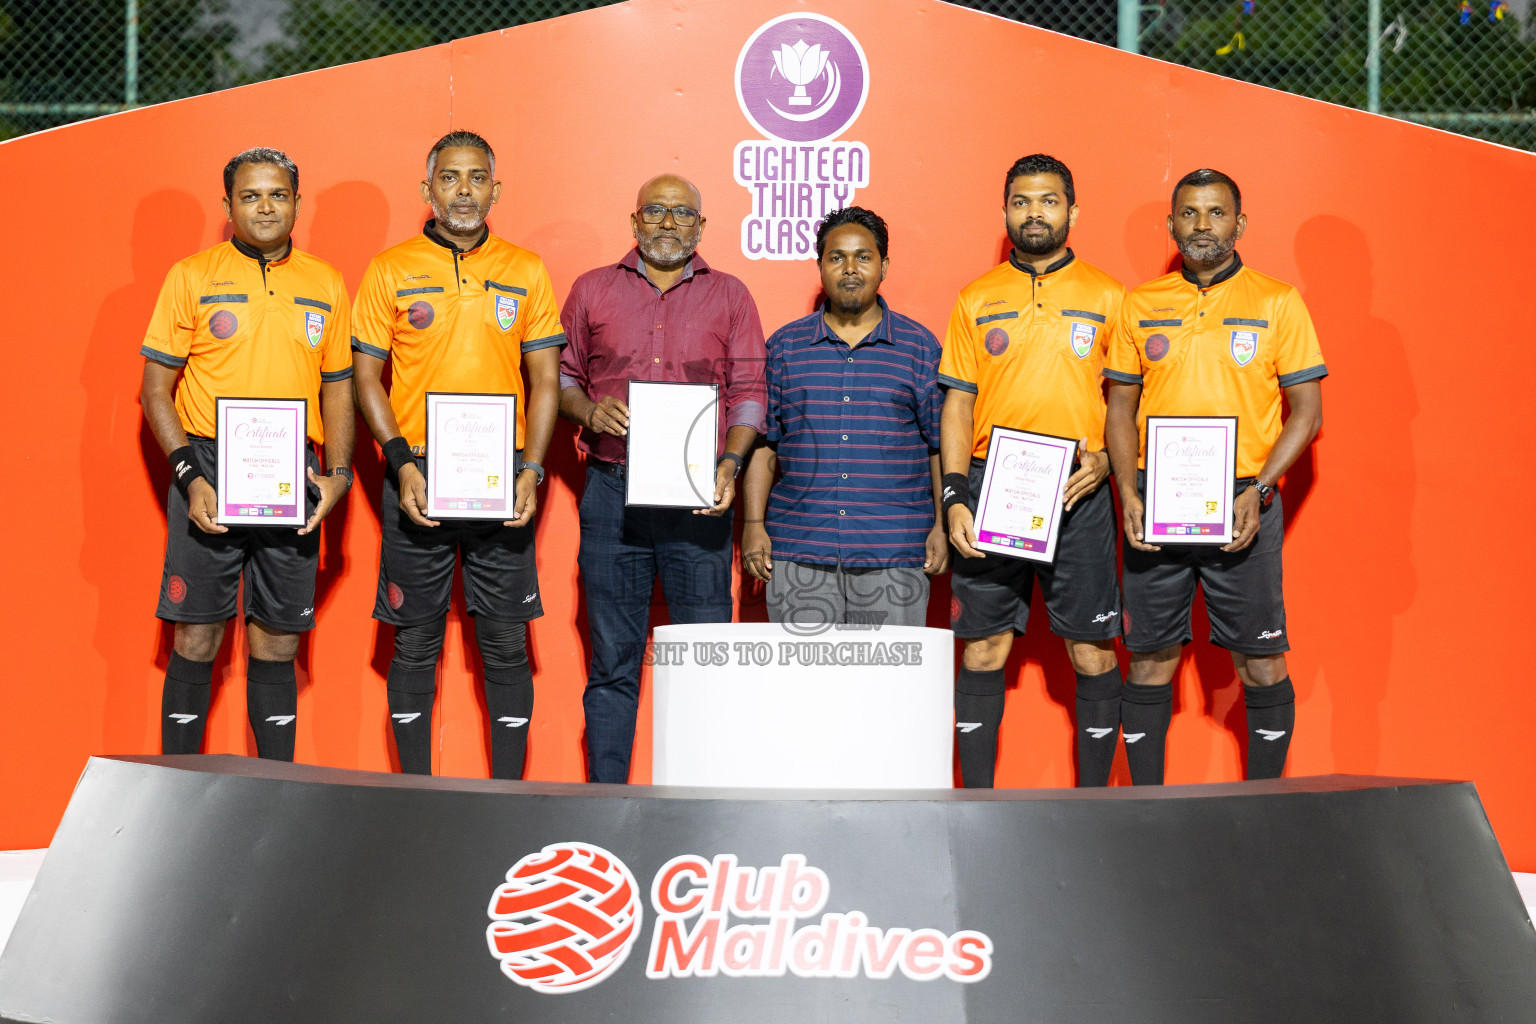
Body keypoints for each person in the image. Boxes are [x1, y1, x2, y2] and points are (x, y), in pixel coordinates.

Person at [352, 131, 564, 780]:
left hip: (501, 478)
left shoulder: (526, 269)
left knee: (503, 641)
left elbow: (548, 381)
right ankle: (415, 794)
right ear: (427, 189)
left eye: (477, 178)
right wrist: (399, 462)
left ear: (496, 190)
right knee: (414, 642)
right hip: (416, 474)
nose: (464, 190)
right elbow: (365, 378)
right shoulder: (390, 268)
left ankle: (508, 797)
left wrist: (531, 469)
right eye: (450, 178)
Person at [1104, 168, 1326, 783]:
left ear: (1241, 223)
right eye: (1190, 214)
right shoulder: (1139, 303)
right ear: (1171, 224)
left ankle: (1265, 809)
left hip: (1241, 501)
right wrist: (1127, 491)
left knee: (1262, 662)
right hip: (1156, 498)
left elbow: (1307, 413)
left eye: (1217, 213)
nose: (1203, 226)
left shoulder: (1277, 301)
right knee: (1148, 661)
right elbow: (1119, 407)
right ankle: (1144, 810)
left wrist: (1257, 491)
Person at [140, 147, 355, 761]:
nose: (266, 207)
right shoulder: (192, 275)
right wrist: (188, 474)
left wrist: (338, 474)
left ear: (296, 202)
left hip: (293, 472)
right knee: (198, 633)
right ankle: (176, 790)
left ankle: (274, 797)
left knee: (279, 641)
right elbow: (156, 389)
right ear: (228, 204)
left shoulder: (325, 281)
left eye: (278, 195)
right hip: (208, 463)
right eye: (251, 195)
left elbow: (338, 384)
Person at [559, 174, 767, 784]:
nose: (669, 223)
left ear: (702, 228)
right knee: (613, 664)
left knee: (704, 661)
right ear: (634, 221)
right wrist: (589, 411)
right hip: (611, 495)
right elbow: (562, 380)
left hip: (699, 502)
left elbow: (751, 395)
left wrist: (728, 464)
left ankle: (698, 810)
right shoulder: (592, 289)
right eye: (656, 211)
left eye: (683, 214)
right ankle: (605, 808)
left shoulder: (730, 296)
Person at [940, 154, 1126, 788]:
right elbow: (958, 404)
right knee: (984, 646)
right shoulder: (977, 297)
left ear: (1072, 212)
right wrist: (955, 494)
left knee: (1091, 648)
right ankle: (975, 805)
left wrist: (1106, 459)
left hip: (1080, 490)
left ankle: (1097, 804)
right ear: (1004, 213)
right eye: (1021, 202)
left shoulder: (1108, 295)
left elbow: (1131, 402)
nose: (1035, 213)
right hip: (996, 486)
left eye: (1048, 201)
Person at [741, 206, 946, 631]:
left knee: (889, 693)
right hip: (799, 550)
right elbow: (765, 446)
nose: (849, 268)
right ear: (820, 266)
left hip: (895, 551)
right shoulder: (784, 347)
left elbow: (939, 446)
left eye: (863, 257)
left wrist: (943, 525)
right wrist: (753, 525)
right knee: (806, 693)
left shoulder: (920, 348)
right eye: (836, 257)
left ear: (884, 265)